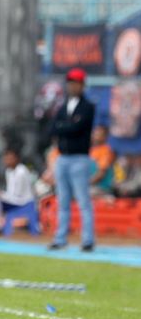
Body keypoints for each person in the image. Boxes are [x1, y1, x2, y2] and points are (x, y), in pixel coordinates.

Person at [49, 67, 95, 252]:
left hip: (79, 158)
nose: (72, 86)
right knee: (63, 201)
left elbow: (76, 128)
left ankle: (87, 240)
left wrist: (64, 127)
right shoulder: (63, 106)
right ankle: (60, 238)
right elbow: (54, 128)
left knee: (83, 201)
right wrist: (67, 126)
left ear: (82, 85)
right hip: (63, 157)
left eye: (75, 83)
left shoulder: (88, 107)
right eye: (70, 83)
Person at [0, 148, 35, 232]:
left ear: (16, 159)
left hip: (23, 201)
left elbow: (16, 195)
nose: (6, 161)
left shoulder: (21, 171)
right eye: (5, 158)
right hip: (13, 199)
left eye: (9, 158)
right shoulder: (9, 171)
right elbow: (10, 192)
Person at [89, 125, 115, 196]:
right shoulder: (90, 150)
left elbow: (101, 174)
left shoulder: (106, 151)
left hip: (101, 188)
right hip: (89, 185)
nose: (95, 136)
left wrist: (84, 184)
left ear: (105, 137)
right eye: (94, 134)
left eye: (99, 135)